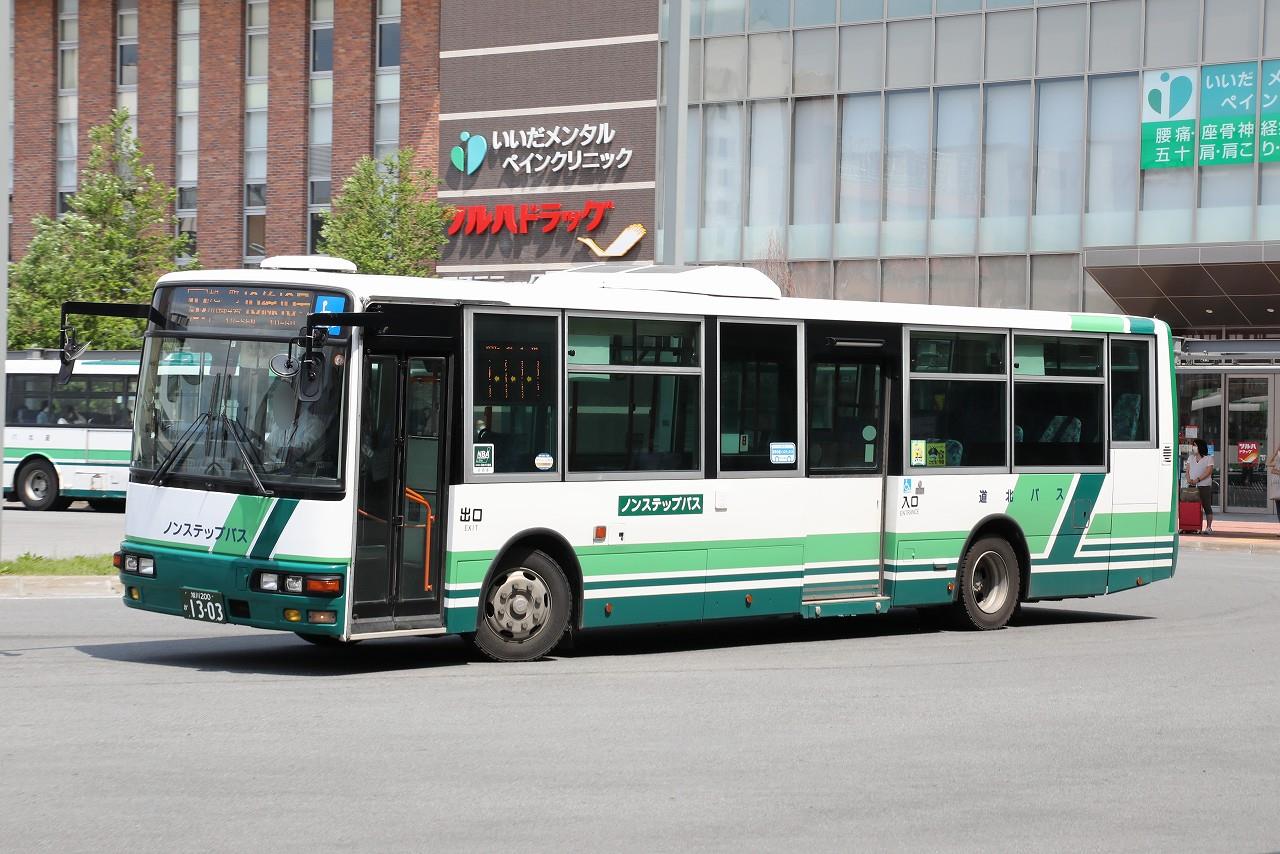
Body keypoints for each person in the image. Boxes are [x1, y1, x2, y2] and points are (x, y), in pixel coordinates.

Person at [1186, 438, 1215, 534]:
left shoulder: (1208, 458)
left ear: (1200, 446)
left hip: (1204, 486)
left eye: (1195, 445)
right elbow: (1187, 470)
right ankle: (1192, 526)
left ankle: (1209, 527)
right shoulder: (1191, 458)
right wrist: (1189, 479)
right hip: (1192, 486)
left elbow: (1208, 472)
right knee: (1191, 506)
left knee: (1206, 506)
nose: (1193, 447)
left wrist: (1198, 479)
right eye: (1193, 445)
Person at [1267, 445, 1280, 526]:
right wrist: (1275, 453)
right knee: (1279, 509)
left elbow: (1273, 471)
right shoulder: (1278, 460)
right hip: (1277, 487)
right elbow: (1268, 463)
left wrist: (1276, 471)